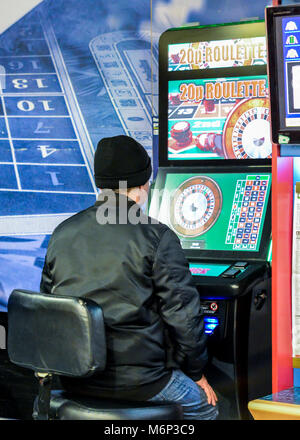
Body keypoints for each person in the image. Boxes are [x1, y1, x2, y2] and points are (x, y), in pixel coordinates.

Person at [40, 135, 218, 420]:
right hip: (142, 383)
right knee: (205, 406)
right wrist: (197, 373)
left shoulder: (62, 232)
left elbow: (51, 309)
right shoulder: (156, 236)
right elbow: (185, 319)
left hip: (75, 378)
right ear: (142, 185)